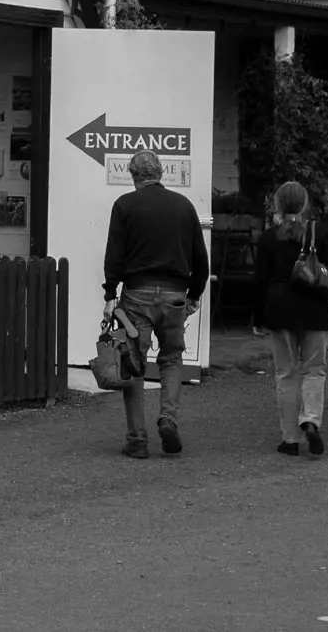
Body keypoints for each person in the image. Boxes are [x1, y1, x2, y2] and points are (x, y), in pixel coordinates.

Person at [102, 148, 208, 458]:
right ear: (160, 173)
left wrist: (110, 294)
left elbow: (114, 255)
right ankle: (168, 420)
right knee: (172, 359)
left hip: (137, 296)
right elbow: (200, 259)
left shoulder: (124, 206)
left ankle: (137, 440)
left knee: (133, 364)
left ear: (133, 176)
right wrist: (195, 294)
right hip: (175, 294)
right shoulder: (184, 206)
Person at [250, 180, 328, 457]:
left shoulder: (270, 237)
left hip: (280, 310)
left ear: (277, 205)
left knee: (286, 373)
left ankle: (289, 439)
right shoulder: (322, 233)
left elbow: (260, 281)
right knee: (314, 370)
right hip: (316, 309)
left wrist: (258, 316)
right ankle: (311, 420)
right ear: (306, 205)